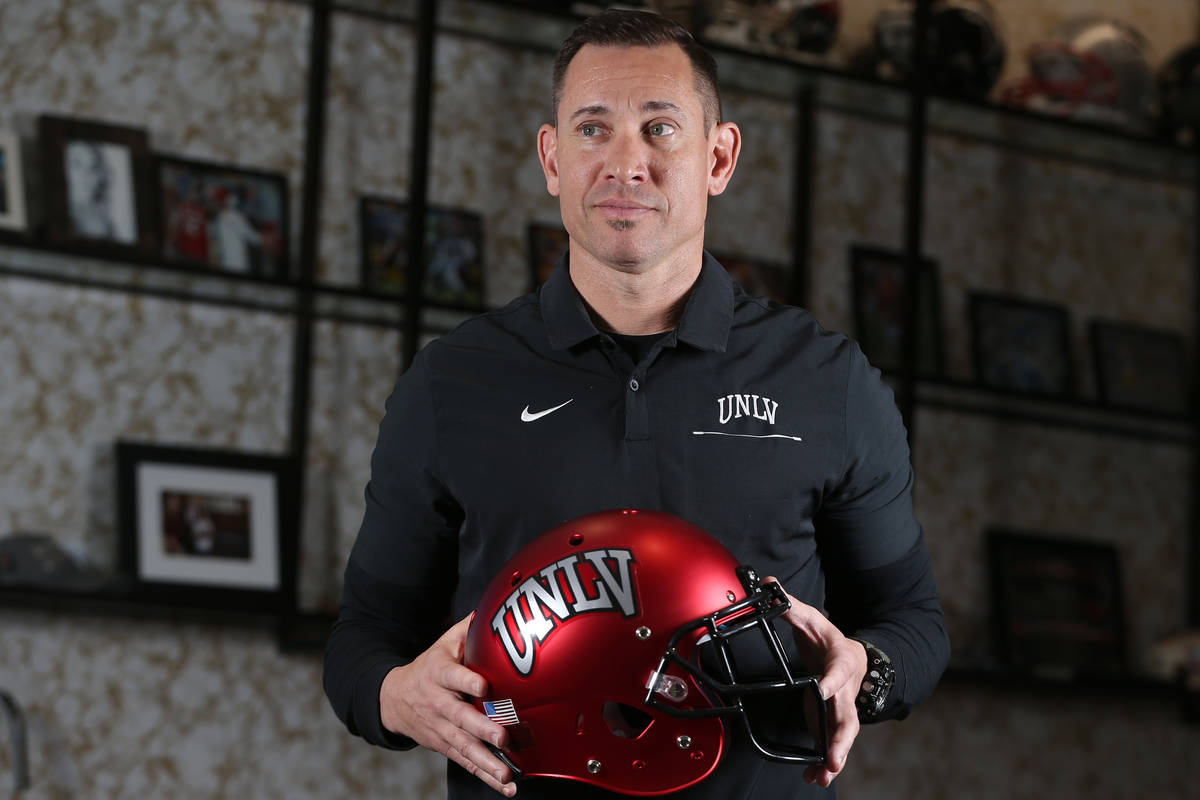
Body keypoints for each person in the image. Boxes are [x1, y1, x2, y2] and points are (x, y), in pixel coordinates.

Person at [324, 8, 949, 799]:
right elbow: (360, 642)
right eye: (592, 129)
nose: (625, 164)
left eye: (660, 129)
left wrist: (866, 671)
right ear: (552, 158)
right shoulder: (451, 382)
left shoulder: (829, 381)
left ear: (718, 158)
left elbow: (915, 624)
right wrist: (395, 695)